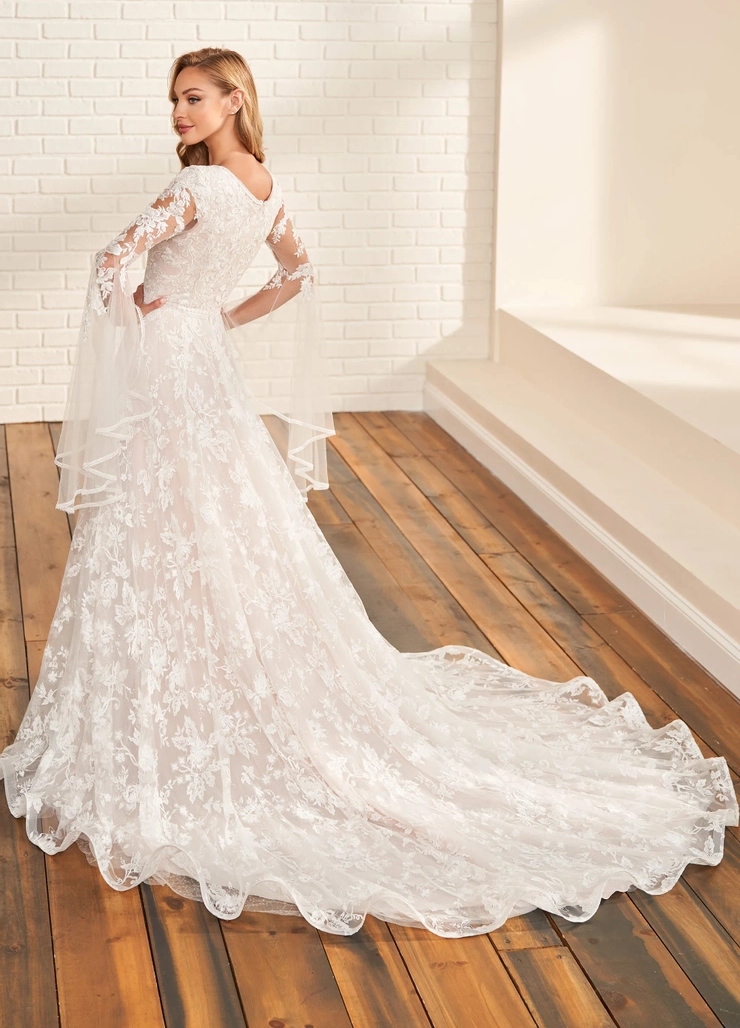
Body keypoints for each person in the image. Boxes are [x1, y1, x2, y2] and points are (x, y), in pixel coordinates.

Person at [1, 48, 736, 939]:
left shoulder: (193, 188)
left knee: (161, 514)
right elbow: (296, 274)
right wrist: (216, 315)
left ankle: (170, 676)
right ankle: (211, 655)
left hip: (168, 363)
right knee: (221, 509)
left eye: (194, 98)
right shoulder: (265, 190)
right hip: (206, 361)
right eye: (175, 101)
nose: (180, 114)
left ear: (235, 100)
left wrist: (139, 317)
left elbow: (111, 259)